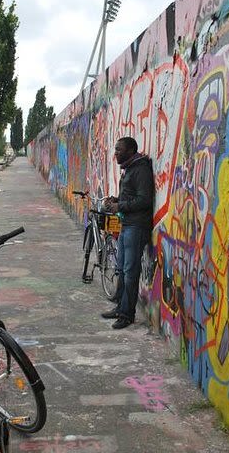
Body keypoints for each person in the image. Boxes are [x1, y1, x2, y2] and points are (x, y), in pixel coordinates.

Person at [101, 137, 154, 329]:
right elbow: (132, 196)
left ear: (131, 151)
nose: (115, 153)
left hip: (136, 227)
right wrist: (116, 200)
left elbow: (144, 200)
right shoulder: (130, 168)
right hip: (127, 224)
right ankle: (120, 307)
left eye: (119, 150)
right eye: (115, 149)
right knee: (122, 268)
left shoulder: (140, 170)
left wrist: (119, 205)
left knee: (130, 272)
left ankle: (127, 314)